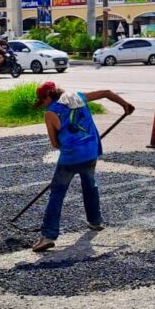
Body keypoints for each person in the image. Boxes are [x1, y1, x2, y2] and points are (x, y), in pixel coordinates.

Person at [31, 81, 135, 252]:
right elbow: (107, 92)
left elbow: (55, 143)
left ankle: (48, 235)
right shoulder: (78, 97)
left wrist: (65, 139)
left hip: (70, 157)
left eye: (43, 100)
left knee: (57, 193)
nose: (43, 104)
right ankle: (95, 222)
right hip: (90, 152)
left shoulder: (50, 113)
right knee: (90, 186)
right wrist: (125, 105)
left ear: (49, 96)